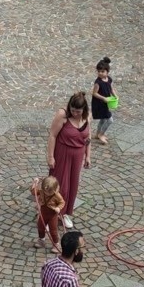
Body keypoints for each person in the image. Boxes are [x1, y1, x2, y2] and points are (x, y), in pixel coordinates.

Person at [47, 91, 91, 228]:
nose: (75, 113)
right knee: (59, 185)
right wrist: (50, 156)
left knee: (72, 185)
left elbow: (87, 139)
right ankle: (50, 215)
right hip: (62, 153)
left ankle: (65, 213)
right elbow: (52, 135)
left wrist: (88, 156)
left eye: (78, 111)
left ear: (83, 110)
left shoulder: (86, 118)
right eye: (72, 110)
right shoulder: (63, 115)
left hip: (77, 155)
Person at [31, 174, 65, 251]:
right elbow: (34, 192)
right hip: (43, 213)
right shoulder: (42, 191)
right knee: (40, 227)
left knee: (53, 230)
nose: (47, 194)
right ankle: (41, 240)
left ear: (55, 189)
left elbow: (62, 202)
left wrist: (58, 208)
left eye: (49, 193)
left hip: (52, 215)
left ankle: (56, 244)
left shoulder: (57, 195)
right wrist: (35, 183)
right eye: (45, 192)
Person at [90, 58, 115, 146]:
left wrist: (115, 95)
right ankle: (101, 134)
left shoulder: (109, 79)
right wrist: (103, 98)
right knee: (110, 120)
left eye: (102, 71)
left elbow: (111, 88)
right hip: (100, 104)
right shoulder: (98, 82)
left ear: (107, 72)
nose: (100, 73)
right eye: (99, 71)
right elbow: (94, 93)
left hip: (105, 102)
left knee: (103, 119)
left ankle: (97, 134)